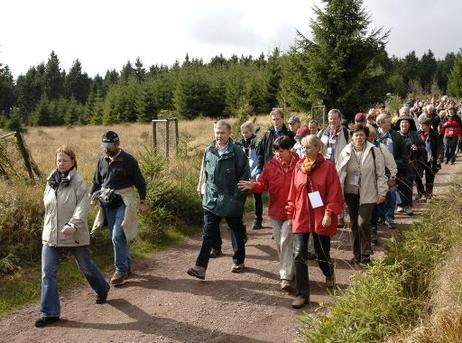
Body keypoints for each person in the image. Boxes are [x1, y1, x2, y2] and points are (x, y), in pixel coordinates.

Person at [36, 146, 109, 328]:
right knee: (47, 273)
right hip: (52, 234)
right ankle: (49, 313)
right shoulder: (50, 181)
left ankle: (102, 288)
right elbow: (49, 208)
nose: (61, 164)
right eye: (59, 160)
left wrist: (72, 225)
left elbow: (82, 208)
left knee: (85, 266)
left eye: (65, 160)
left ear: (73, 162)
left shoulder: (79, 183)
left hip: (74, 232)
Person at [286, 135, 343, 309]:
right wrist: (290, 214)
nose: (305, 151)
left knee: (322, 254)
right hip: (301, 217)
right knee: (299, 253)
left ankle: (329, 272)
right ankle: (302, 294)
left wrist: (329, 213)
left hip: (321, 217)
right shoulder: (298, 167)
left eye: (309, 148)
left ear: (318, 149)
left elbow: (334, 194)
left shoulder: (328, 168)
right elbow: (293, 193)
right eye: (303, 148)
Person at [188, 120, 250, 279]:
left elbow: (244, 176)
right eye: (217, 132)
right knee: (208, 233)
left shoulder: (237, 152)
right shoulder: (209, 150)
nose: (219, 135)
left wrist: (237, 196)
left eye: (222, 132)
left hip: (231, 198)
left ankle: (238, 260)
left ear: (229, 133)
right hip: (212, 199)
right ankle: (200, 267)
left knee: (235, 230)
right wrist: (202, 189)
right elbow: (205, 174)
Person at [238, 136, 299, 291]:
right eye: (275, 151)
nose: (277, 154)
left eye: (281, 151)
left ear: (289, 150)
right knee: (280, 243)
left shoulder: (300, 164)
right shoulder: (271, 165)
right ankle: (292, 268)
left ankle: (285, 276)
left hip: (293, 211)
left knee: (286, 240)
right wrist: (253, 185)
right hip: (275, 211)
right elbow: (263, 184)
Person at [90, 131, 148, 286]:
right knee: (116, 237)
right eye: (104, 145)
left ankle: (120, 270)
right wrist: (90, 198)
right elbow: (96, 182)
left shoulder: (128, 160)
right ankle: (127, 264)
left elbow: (140, 182)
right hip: (107, 202)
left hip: (124, 201)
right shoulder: (101, 161)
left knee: (117, 234)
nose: (106, 148)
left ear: (117, 144)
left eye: (109, 145)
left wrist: (143, 201)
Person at [337, 124, 388, 265]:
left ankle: (366, 253)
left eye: (361, 135)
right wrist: (338, 194)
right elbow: (339, 173)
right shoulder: (345, 151)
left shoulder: (374, 151)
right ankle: (357, 254)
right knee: (353, 224)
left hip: (368, 192)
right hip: (350, 192)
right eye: (356, 135)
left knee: (363, 222)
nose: (359, 137)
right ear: (351, 137)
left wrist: (382, 192)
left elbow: (381, 174)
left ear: (366, 136)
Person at [376, 113, 410, 229]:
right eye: (387, 121)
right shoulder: (372, 135)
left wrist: (395, 165)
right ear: (380, 123)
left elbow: (405, 156)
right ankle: (380, 216)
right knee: (379, 194)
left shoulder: (396, 136)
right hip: (376, 171)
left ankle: (389, 217)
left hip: (391, 171)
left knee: (391, 193)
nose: (390, 123)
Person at [367, 125, 397, 245]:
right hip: (364, 183)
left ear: (374, 136)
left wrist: (392, 177)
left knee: (374, 207)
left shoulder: (380, 147)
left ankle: (373, 230)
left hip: (377, 181)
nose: (366, 137)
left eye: (368, 135)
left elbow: (391, 164)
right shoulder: (359, 147)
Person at [396, 116, 425, 215]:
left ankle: (408, 206)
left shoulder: (414, 135)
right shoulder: (395, 135)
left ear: (410, 125)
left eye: (406, 123)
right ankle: (400, 205)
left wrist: (417, 148)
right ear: (399, 125)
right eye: (402, 123)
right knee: (398, 186)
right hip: (397, 164)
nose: (404, 124)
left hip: (410, 165)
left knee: (408, 186)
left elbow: (423, 148)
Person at [238, 121, 263, 231]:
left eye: (246, 132)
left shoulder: (257, 143)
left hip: (255, 172)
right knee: (240, 197)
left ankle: (258, 220)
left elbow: (259, 159)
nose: (244, 134)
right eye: (243, 132)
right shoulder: (239, 143)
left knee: (257, 196)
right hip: (243, 173)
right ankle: (239, 221)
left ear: (251, 132)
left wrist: (256, 173)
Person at [257, 108, 296, 173]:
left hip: (285, 169)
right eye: (274, 119)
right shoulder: (267, 134)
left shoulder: (290, 135)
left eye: (278, 119)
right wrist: (259, 168)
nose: (275, 121)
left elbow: (294, 154)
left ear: (283, 119)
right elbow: (261, 152)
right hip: (269, 168)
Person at [416, 117, 443, 200]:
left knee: (430, 178)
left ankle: (428, 194)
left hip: (430, 160)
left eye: (423, 125)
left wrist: (438, 160)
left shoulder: (435, 134)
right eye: (420, 125)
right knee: (416, 177)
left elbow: (440, 147)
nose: (421, 127)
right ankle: (420, 193)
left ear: (428, 126)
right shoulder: (418, 134)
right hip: (420, 159)